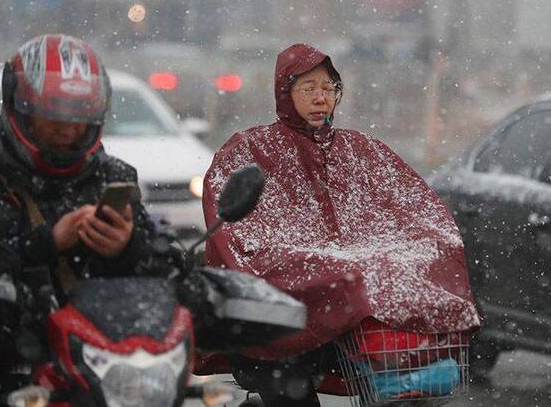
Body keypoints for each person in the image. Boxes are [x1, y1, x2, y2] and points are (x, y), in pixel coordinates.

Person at [201, 43, 480, 406]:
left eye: (328, 88)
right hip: (287, 307)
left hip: (348, 295)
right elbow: (243, 231)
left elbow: (409, 204)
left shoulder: (360, 149)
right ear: (285, 92)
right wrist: (311, 260)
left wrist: (427, 241)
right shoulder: (253, 150)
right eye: (308, 88)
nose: (320, 98)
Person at [0, 34, 177, 394]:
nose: (68, 132)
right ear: (18, 109)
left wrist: (127, 247)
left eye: (80, 121)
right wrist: (41, 244)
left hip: (109, 373)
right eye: (52, 119)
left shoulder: (113, 178)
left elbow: (167, 264)